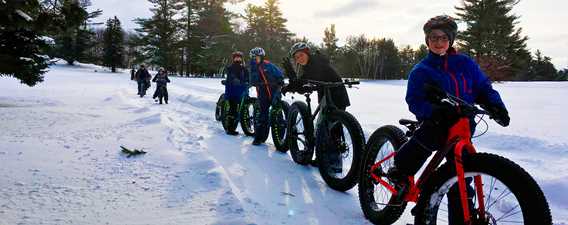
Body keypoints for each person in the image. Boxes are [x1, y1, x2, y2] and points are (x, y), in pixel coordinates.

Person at [388, 15, 511, 223]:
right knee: (423, 143)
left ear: (451, 41)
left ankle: (461, 218)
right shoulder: (422, 70)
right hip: (437, 123)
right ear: (427, 41)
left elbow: (482, 87)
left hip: (463, 125)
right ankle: (399, 171)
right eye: (434, 38)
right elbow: (414, 100)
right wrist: (434, 111)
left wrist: (496, 106)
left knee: (461, 176)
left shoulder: (465, 63)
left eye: (443, 38)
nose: (438, 42)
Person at [282, 42, 351, 172]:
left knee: (326, 128)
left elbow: (305, 82)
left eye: (301, 55)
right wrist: (294, 83)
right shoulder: (312, 65)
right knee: (330, 128)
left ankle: (333, 163)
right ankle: (327, 160)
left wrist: (292, 80)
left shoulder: (316, 64)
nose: (299, 59)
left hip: (334, 97)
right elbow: (304, 85)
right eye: (296, 57)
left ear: (307, 53)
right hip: (332, 96)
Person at [249, 47, 284, 145]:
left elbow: (278, 73)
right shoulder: (253, 68)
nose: (256, 59)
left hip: (274, 90)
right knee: (262, 115)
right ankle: (259, 137)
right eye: (253, 58)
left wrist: (280, 79)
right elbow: (252, 78)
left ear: (262, 57)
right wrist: (255, 82)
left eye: (257, 57)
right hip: (263, 93)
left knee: (278, 112)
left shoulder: (268, 65)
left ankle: (280, 138)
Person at [224, 51, 250, 135]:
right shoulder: (231, 67)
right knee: (233, 109)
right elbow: (231, 76)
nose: (238, 58)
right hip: (232, 91)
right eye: (236, 57)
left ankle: (247, 126)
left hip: (242, 90)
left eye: (239, 57)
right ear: (233, 58)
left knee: (244, 108)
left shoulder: (244, 68)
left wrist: (250, 82)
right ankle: (230, 129)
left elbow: (247, 77)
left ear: (241, 59)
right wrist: (235, 80)